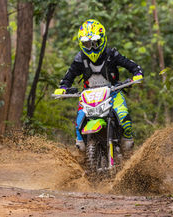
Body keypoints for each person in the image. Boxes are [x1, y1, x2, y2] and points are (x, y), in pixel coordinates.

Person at [54, 19, 143, 152]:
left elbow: (131, 65)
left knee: (125, 119)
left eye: (95, 43)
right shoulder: (80, 59)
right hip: (88, 96)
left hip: (113, 92)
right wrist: (63, 88)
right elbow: (69, 76)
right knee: (78, 127)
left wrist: (137, 73)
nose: (92, 47)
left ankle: (128, 147)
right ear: (82, 43)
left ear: (102, 40)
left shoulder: (111, 54)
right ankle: (83, 158)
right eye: (87, 44)